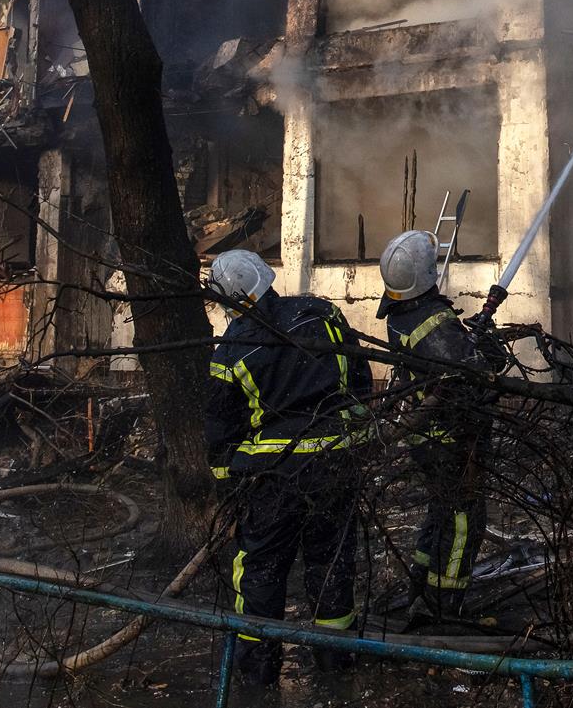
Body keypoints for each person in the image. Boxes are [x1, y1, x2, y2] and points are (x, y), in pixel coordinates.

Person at [205, 249, 370, 686]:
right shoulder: (321, 313)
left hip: (273, 481)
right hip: (336, 464)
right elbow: (360, 382)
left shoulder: (230, 350)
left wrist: (228, 492)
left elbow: (221, 433)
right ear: (265, 278)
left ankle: (258, 675)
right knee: (331, 561)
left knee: (260, 569)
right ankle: (335, 666)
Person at [378, 229, 494, 619]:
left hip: (428, 440)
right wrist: (486, 352)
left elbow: (444, 362)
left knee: (440, 512)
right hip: (454, 440)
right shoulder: (433, 319)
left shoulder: (400, 313)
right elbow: (470, 382)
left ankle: (421, 582)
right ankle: (444, 603)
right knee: (464, 519)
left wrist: (468, 338)